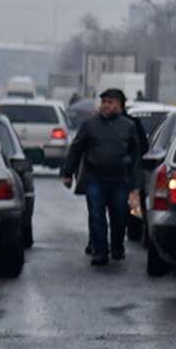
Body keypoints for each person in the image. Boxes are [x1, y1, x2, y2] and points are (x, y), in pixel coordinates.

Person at [60, 87, 147, 266]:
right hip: (95, 178)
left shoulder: (128, 126)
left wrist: (136, 181)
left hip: (119, 180)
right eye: (104, 102)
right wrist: (68, 173)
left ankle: (116, 246)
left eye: (110, 102)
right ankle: (100, 252)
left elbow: (136, 155)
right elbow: (76, 149)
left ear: (120, 106)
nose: (106, 106)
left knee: (119, 216)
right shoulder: (90, 124)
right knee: (96, 215)